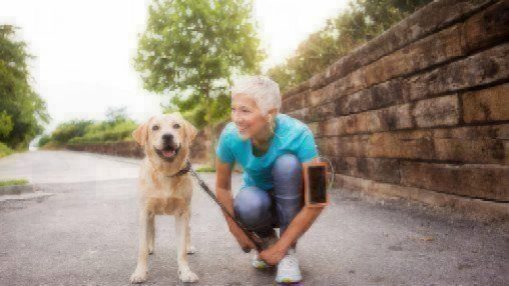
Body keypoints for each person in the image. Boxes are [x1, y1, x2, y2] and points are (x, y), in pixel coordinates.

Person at [214, 75, 324, 283]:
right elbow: (222, 188)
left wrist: (281, 249)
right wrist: (236, 230)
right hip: (258, 205)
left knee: (287, 164)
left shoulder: (299, 133)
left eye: (245, 110)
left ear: (270, 113)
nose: (236, 118)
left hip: (294, 202)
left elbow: (317, 198)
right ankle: (267, 241)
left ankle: (287, 252)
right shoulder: (230, 135)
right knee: (247, 202)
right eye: (233, 109)